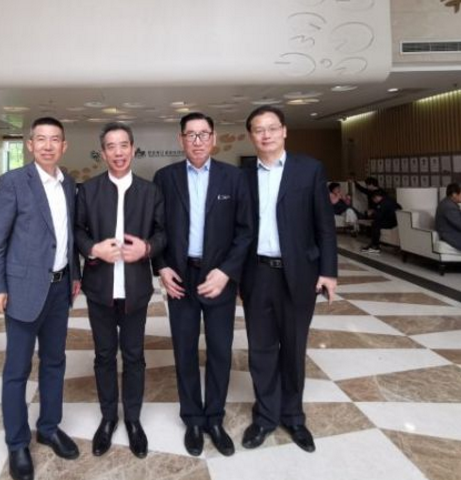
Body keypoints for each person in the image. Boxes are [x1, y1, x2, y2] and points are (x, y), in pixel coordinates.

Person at [0, 117, 81, 480]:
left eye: (55, 139)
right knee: (18, 369)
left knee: (55, 361)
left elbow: (67, 236)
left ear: (64, 146)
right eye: (41, 139)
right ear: (29, 144)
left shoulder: (68, 183)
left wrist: (75, 275)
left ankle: (50, 427)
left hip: (59, 289)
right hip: (23, 289)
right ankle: (17, 443)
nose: (47, 145)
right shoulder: (12, 182)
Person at [153, 112, 253, 457]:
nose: (197, 141)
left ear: (213, 138)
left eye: (203, 134)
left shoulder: (234, 178)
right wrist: (162, 266)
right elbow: (156, 229)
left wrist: (226, 272)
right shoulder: (165, 178)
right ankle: (193, 419)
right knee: (184, 350)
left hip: (218, 278)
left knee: (220, 351)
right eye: (190, 135)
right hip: (181, 278)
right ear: (181, 139)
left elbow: (245, 231)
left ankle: (214, 418)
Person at [239, 105, 337, 453]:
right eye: (258, 129)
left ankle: (293, 416)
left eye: (272, 128)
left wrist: (328, 271)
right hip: (257, 273)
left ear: (284, 131)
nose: (265, 134)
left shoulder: (309, 169)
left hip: (299, 274)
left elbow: (324, 225)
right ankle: (265, 417)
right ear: (251, 136)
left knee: (294, 347)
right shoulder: (243, 175)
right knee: (261, 350)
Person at [75, 122, 166, 459]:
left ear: (133, 149)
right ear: (103, 153)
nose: (118, 152)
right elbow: (77, 231)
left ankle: (133, 420)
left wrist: (147, 248)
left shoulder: (150, 191)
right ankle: (108, 418)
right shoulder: (88, 190)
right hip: (99, 289)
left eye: (123, 145)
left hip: (135, 290)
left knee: (134, 356)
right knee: (103, 356)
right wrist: (92, 249)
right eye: (111, 147)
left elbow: (163, 233)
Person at [360, 189, 401, 254]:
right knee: (376, 223)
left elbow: (378, 216)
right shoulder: (389, 199)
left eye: (373, 199)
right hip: (396, 221)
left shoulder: (382, 203)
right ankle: (374, 245)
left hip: (391, 222)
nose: (374, 201)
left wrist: (371, 214)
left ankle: (375, 246)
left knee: (375, 224)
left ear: (376, 197)